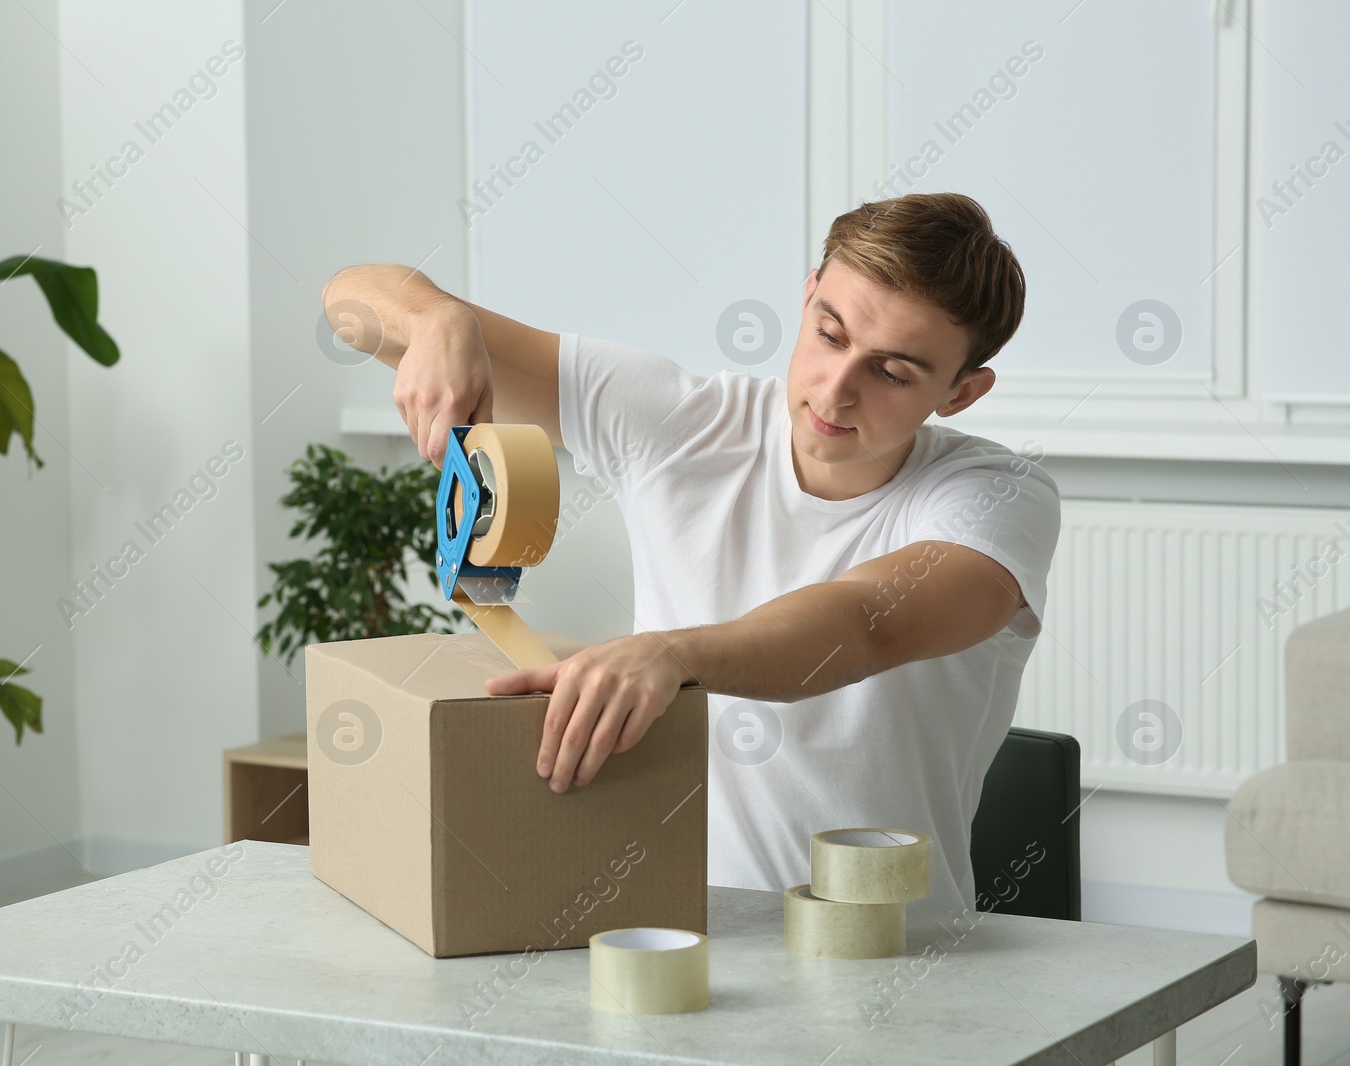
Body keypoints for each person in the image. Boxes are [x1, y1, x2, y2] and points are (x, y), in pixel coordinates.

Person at [321, 191, 1061, 912]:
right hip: (682, 933)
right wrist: (440, 320)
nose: (835, 392)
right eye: (830, 335)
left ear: (961, 393)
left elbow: (872, 621)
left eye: (893, 373)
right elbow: (352, 304)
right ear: (807, 298)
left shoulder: (996, 495)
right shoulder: (683, 424)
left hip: (898, 960)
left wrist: (672, 655)